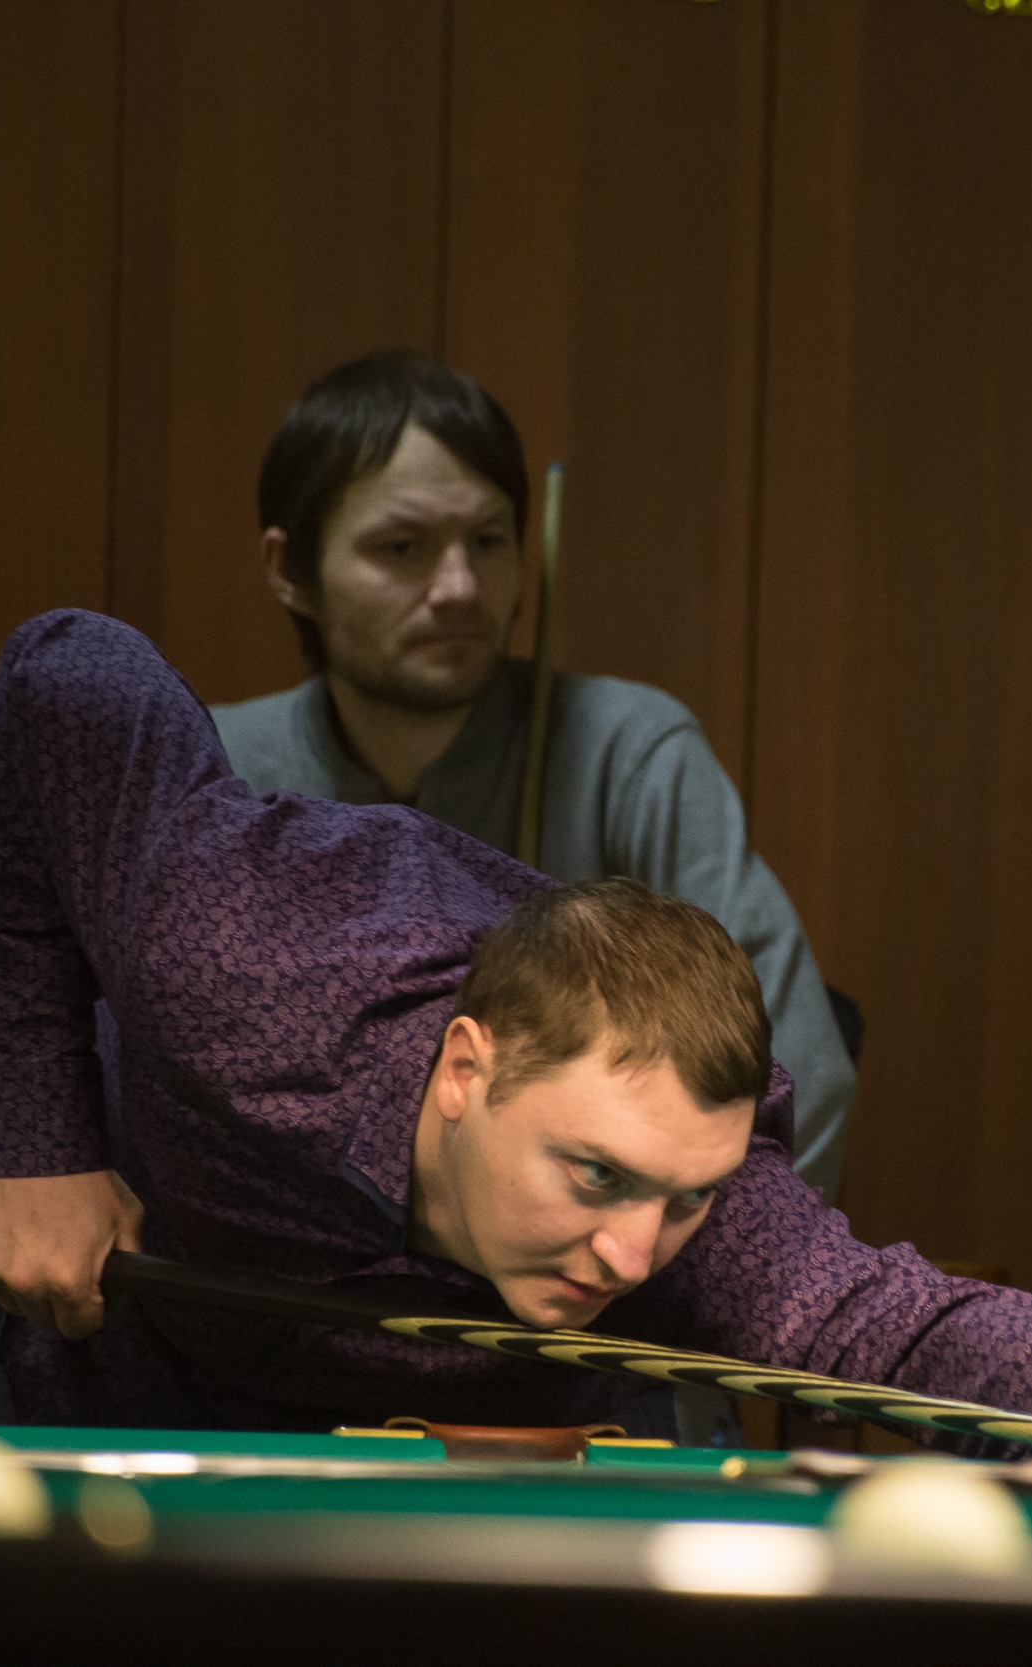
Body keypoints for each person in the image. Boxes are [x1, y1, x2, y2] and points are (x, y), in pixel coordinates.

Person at [0, 609, 1032, 1486]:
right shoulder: (242, 957)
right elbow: (66, 669)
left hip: (474, 1459)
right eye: (594, 1174)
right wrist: (30, 1134)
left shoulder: (696, 1209)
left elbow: (907, 1327)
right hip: (117, 1363)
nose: (633, 1252)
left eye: (682, 1198)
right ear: (466, 1070)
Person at [214, 351, 853, 1203]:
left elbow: (803, 1071)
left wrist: (641, 1253)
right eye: (402, 547)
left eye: (488, 541)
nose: (459, 586)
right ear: (288, 570)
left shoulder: (627, 751)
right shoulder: (217, 769)